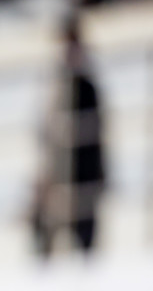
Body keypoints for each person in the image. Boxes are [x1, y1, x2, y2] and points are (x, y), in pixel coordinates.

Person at [30, 15, 106, 258]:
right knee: (45, 240)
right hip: (55, 176)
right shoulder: (52, 83)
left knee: (85, 244)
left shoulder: (87, 86)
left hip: (83, 175)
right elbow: (43, 133)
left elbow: (97, 134)